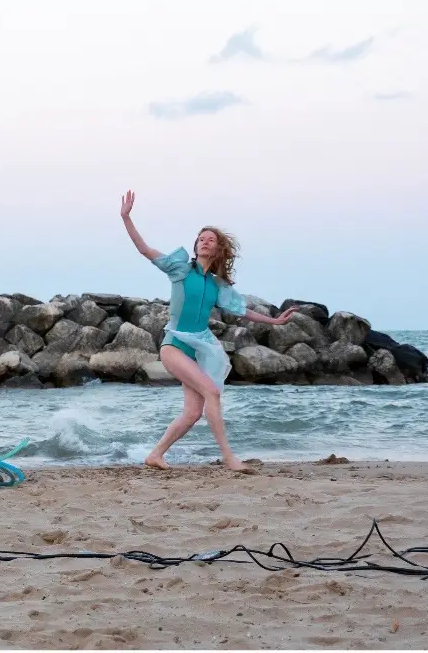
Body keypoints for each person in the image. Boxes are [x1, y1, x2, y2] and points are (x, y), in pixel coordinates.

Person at [119, 190, 296, 473]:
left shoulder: (217, 285)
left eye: (210, 240)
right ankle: (230, 459)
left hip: (200, 346)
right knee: (212, 392)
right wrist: (127, 218)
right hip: (175, 345)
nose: (204, 242)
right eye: (201, 239)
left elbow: (241, 310)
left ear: (216, 250)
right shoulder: (180, 269)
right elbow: (145, 250)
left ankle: (155, 455)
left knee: (192, 413)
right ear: (196, 246)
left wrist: (274, 322)